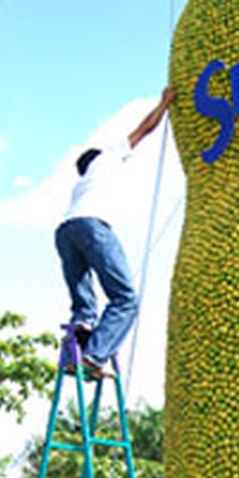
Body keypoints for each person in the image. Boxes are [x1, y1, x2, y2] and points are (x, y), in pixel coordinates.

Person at [55, 88, 175, 378]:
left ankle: (76, 355)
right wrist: (164, 103)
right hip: (92, 226)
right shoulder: (107, 157)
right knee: (125, 299)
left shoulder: (81, 185)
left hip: (64, 231)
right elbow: (143, 130)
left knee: (84, 309)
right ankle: (95, 357)